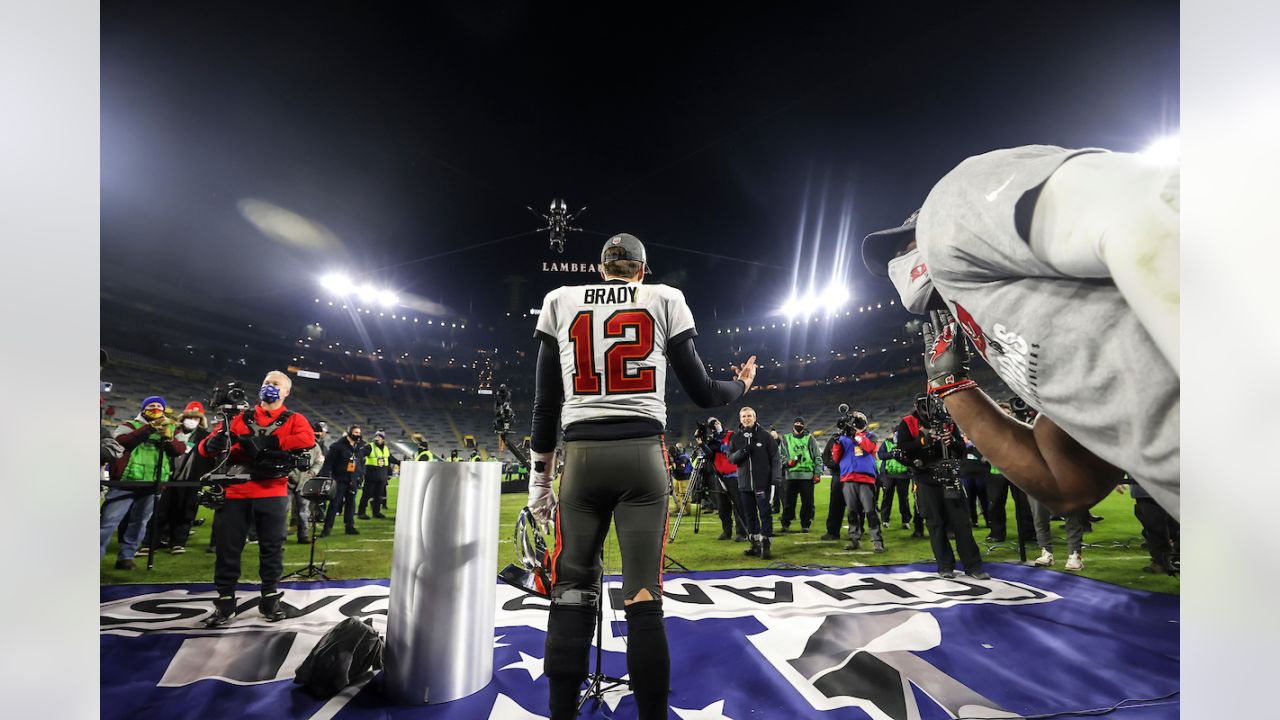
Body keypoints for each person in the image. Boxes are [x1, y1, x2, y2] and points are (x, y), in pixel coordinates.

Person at [861, 145, 1179, 520]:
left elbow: (1148, 205)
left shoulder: (946, 209)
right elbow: (1068, 485)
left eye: (904, 246)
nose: (898, 264)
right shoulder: (999, 325)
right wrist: (950, 386)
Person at [528, 233, 756, 720]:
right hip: (642, 457)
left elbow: (546, 406)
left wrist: (539, 485)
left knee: (570, 589)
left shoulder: (559, 300)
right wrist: (742, 385)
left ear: (600, 267)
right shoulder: (665, 298)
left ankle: (560, 714)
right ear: (642, 270)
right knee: (644, 597)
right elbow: (704, 392)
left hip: (582, 459)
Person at [198, 372, 315, 626]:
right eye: (265, 384)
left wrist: (270, 441)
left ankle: (270, 598)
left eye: (276, 385)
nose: (269, 388)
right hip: (236, 491)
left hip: (272, 491)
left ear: (286, 392)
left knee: (272, 548)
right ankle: (225, 602)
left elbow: (308, 439)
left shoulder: (294, 418)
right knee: (228, 548)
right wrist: (216, 443)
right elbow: (206, 447)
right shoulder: (239, 417)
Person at [895, 395, 989, 580]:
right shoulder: (907, 422)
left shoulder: (948, 421)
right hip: (925, 477)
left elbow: (962, 449)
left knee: (962, 523)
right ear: (916, 406)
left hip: (949, 476)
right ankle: (945, 565)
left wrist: (950, 441)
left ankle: (973, 566)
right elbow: (902, 449)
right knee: (935, 523)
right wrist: (925, 439)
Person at [100, 396, 186, 569]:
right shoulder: (129, 425)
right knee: (109, 522)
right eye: (151, 406)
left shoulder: (171, 427)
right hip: (126, 481)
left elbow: (180, 450)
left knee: (140, 523)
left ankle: (126, 557)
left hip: (153, 483)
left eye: (159, 406)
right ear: (143, 409)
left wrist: (168, 439)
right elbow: (121, 442)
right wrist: (149, 429)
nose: (155, 408)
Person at [153, 401, 210, 554]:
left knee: (186, 513)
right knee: (161, 512)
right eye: (190, 417)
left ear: (201, 420)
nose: (192, 421)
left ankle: (178, 542)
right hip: (168, 478)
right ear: (183, 417)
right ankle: (152, 542)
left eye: (196, 418)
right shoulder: (171, 431)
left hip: (191, 480)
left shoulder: (205, 436)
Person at [728, 407, 782, 559]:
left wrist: (775, 479)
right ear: (740, 419)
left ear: (755, 417)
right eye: (744, 416)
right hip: (745, 484)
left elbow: (776, 459)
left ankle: (766, 545)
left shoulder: (765, 436)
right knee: (750, 515)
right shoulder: (736, 437)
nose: (746, 418)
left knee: (765, 514)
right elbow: (731, 458)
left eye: (749, 416)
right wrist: (743, 452)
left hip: (762, 484)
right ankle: (755, 545)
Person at [831, 411, 883, 553]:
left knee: (870, 511)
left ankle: (877, 541)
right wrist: (836, 444)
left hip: (865, 478)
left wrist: (856, 434)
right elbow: (836, 458)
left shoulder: (871, 436)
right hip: (848, 478)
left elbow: (869, 448)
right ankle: (854, 539)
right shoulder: (845, 438)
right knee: (852, 511)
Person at [701, 417, 747, 541]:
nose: (715, 425)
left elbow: (733, 449)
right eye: (712, 425)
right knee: (723, 506)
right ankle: (727, 531)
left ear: (720, 422)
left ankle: (742, 532)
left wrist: (720, 442)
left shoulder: (732, 435)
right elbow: (710, 455)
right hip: (719, 476)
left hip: (734, 475)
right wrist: (702, 444)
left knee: (738, 505)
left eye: (716, 422)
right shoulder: (712, 440)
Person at [320, 424, 366, 536]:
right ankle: (327, 528)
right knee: (334, 504)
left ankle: (349, 526)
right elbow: (328, 463)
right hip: (339, 479)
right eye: (355, 433)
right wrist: (326, 477)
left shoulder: (360, 446)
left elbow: (361, 462)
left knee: (351, 504)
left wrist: (360, 476)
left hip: (353, 479)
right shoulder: (337, 446)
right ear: (349, 432)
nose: (358, 435)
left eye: (359, 433)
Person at [778, 417, 821, 534]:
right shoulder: (786, 438)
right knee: (788, 502)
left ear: (804, 426)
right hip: (791, 476)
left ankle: (805, 524)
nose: (798, 425)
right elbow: (780, 456)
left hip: (807, 476)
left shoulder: (810, 439)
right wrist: (787, 462)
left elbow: (817, 456)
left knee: (807, 502)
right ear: (793, 425)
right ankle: (786, 524)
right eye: (796, 423)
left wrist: (817, 473)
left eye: (801, 423)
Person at [290, 421, 328, 544]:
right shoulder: (291, 443)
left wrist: (312, 472)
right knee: (282, 510)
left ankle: (303, 536)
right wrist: (289, 473)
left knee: (304, 510)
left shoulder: (315, 446)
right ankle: (278, 536)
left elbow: (319, 461)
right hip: (288, 482)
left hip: (305, 482)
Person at [876, 434, 913, 530]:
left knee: (903, 498)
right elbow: (880, 455)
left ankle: (905, 520)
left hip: (903, 475)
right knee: (887, 497)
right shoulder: (887, 443)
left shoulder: (906, 442)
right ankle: (885, 520)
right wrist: (892, 454)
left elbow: (911, 456)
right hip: (889, 475)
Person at [358, 430, 395, 519]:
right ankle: (361, 513)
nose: (377, 438)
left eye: (380, 437)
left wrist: (400, 462)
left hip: (382, 476)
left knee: (378, 496)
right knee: (366, 495)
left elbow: (391, 458)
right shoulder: (370, 447)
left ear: (383, 439)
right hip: (371, 475)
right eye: (376, 436)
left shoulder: (386, 449)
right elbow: (360, 454)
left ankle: (376, 512)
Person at [819, 432, 847, 541]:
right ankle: (833, 532)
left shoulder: (855, 438)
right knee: (835, 505)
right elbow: (825, 455)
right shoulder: (835, 438)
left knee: (855, 505)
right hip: (838, 475)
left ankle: (856, 531)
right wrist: (833, 465)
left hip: (851, 474)